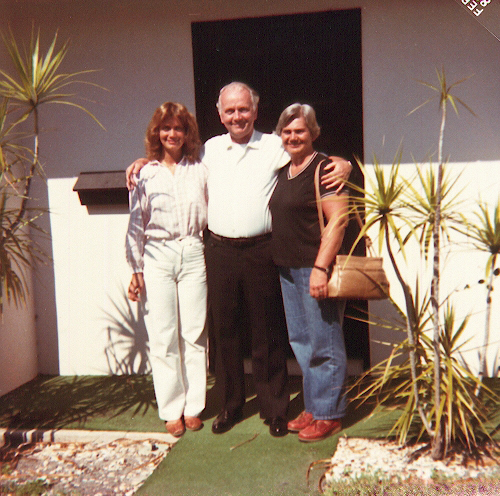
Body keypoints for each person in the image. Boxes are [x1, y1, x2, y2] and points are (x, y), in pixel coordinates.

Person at [126, 82, 352, 437]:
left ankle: (274, 409)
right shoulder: (209, 150)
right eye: (230, 110)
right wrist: (143, 162)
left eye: (243, 109)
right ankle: (230, 406)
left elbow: (309, 154)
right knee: (225, 333)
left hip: (262, 250)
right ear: (220, 115)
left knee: (268, 332)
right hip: (218, 251)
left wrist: (343, 163)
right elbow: (173, 161)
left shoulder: (274, 145)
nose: (237, 116)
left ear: (255, 111)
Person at [125, 102, 208, 438]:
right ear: (156, 133)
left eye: (178, 128)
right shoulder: (144, 174)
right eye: (166, 128)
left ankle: (194, 407)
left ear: (187, 133)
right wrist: (136, 269)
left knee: (194, 333)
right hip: (157, 254)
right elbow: (135, 223)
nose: (172, 134)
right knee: (163, 335)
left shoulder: (200, 168)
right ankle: (172, 409)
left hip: (193, 249)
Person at [269, 103, 349, 442]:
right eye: (287, 131)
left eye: (299, 131)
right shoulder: (284, 170)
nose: (293, 136)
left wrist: (320, 267)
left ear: (313, 133)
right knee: (302, 342)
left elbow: (339, 220)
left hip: (313, 268)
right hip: (288, 268)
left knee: (324, 342)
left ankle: (330, 413)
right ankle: (315, 406)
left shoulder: (324, 168)